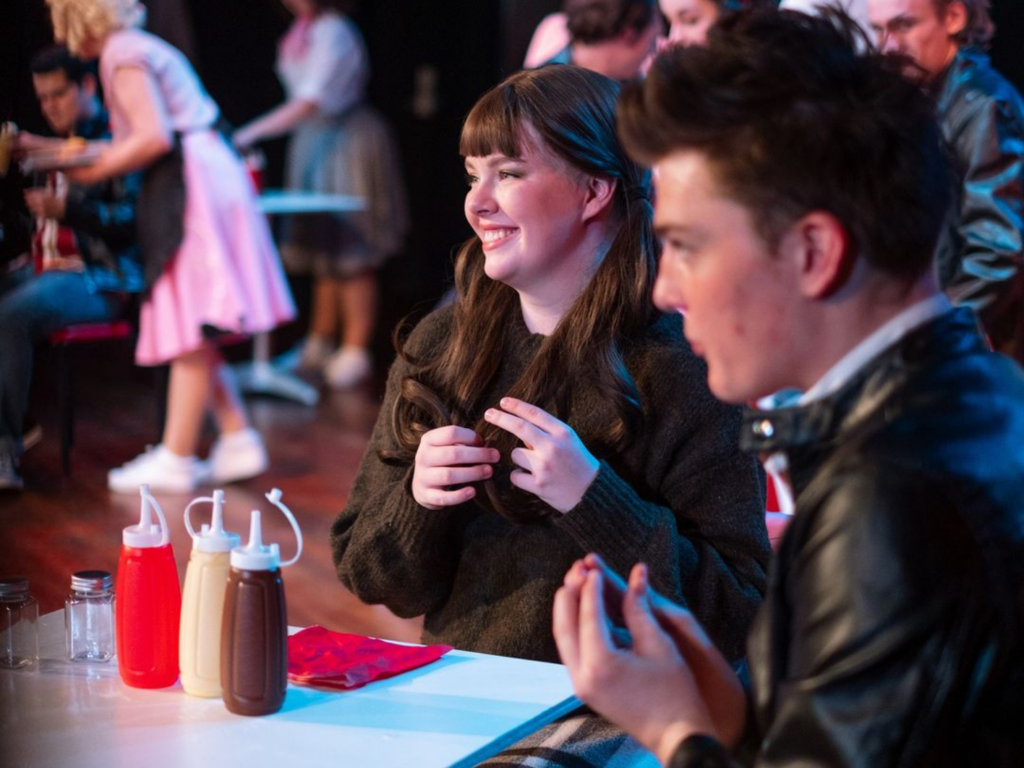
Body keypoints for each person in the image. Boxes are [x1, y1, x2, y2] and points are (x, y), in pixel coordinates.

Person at [552, 8, 1024, 767]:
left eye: (685, 245)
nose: (665, 289)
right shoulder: (980, 391)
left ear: (814, 251)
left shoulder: (891, 496)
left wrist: (676, 734)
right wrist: (731, 717)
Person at [331, 65, 770, 764]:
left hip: (617, 716)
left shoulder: (682, 367)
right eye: (472, 176)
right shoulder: (439, 346)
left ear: (594, 190)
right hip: (462, 703)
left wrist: (596, 499)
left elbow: (736, 613)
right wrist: (418, 499)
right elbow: (371, 577)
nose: (477, 204)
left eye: (508, 173)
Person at [46, 0, 296, 493]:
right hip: (200, 172)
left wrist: (90, 174)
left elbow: (153, 137)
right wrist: (51, 151)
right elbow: (144, 134)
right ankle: (237, 436)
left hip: (191, 183)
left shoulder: (121, 52)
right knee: (196, 315)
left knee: (193, 317)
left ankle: (177, 456)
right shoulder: (135, 46)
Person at [234, 0, 408, 389]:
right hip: (313, 139)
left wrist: (248, 133)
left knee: (351, 247)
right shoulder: (301, 32)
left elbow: (309, 100)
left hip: (344, 139)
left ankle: (355, 349)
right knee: (322, 250)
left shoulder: (334, 31)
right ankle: (319, 341)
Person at [0, 46, 142, 492]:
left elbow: (131, 221)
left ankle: (3, 453)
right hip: (45, 268)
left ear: (87, 85)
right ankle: (19, 423)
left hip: (99, 277)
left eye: (58, 94)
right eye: (42, 98)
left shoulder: (120, 140)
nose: (49, 106)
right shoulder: (53, 146)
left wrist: (69, 210)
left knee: (11, 316)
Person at [868, 0, 1024, 362]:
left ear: (954, 17)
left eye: (904, 25)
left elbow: (998, 251)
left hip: (982, 350)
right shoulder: (927, 96)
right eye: (878, 30)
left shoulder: (982, 105)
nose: (888, 46)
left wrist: (931, 334)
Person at [539, 0, 661, 81]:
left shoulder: (539, 86)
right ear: (626, 34)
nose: (653, 52)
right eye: (652, 43)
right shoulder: (544, 100)